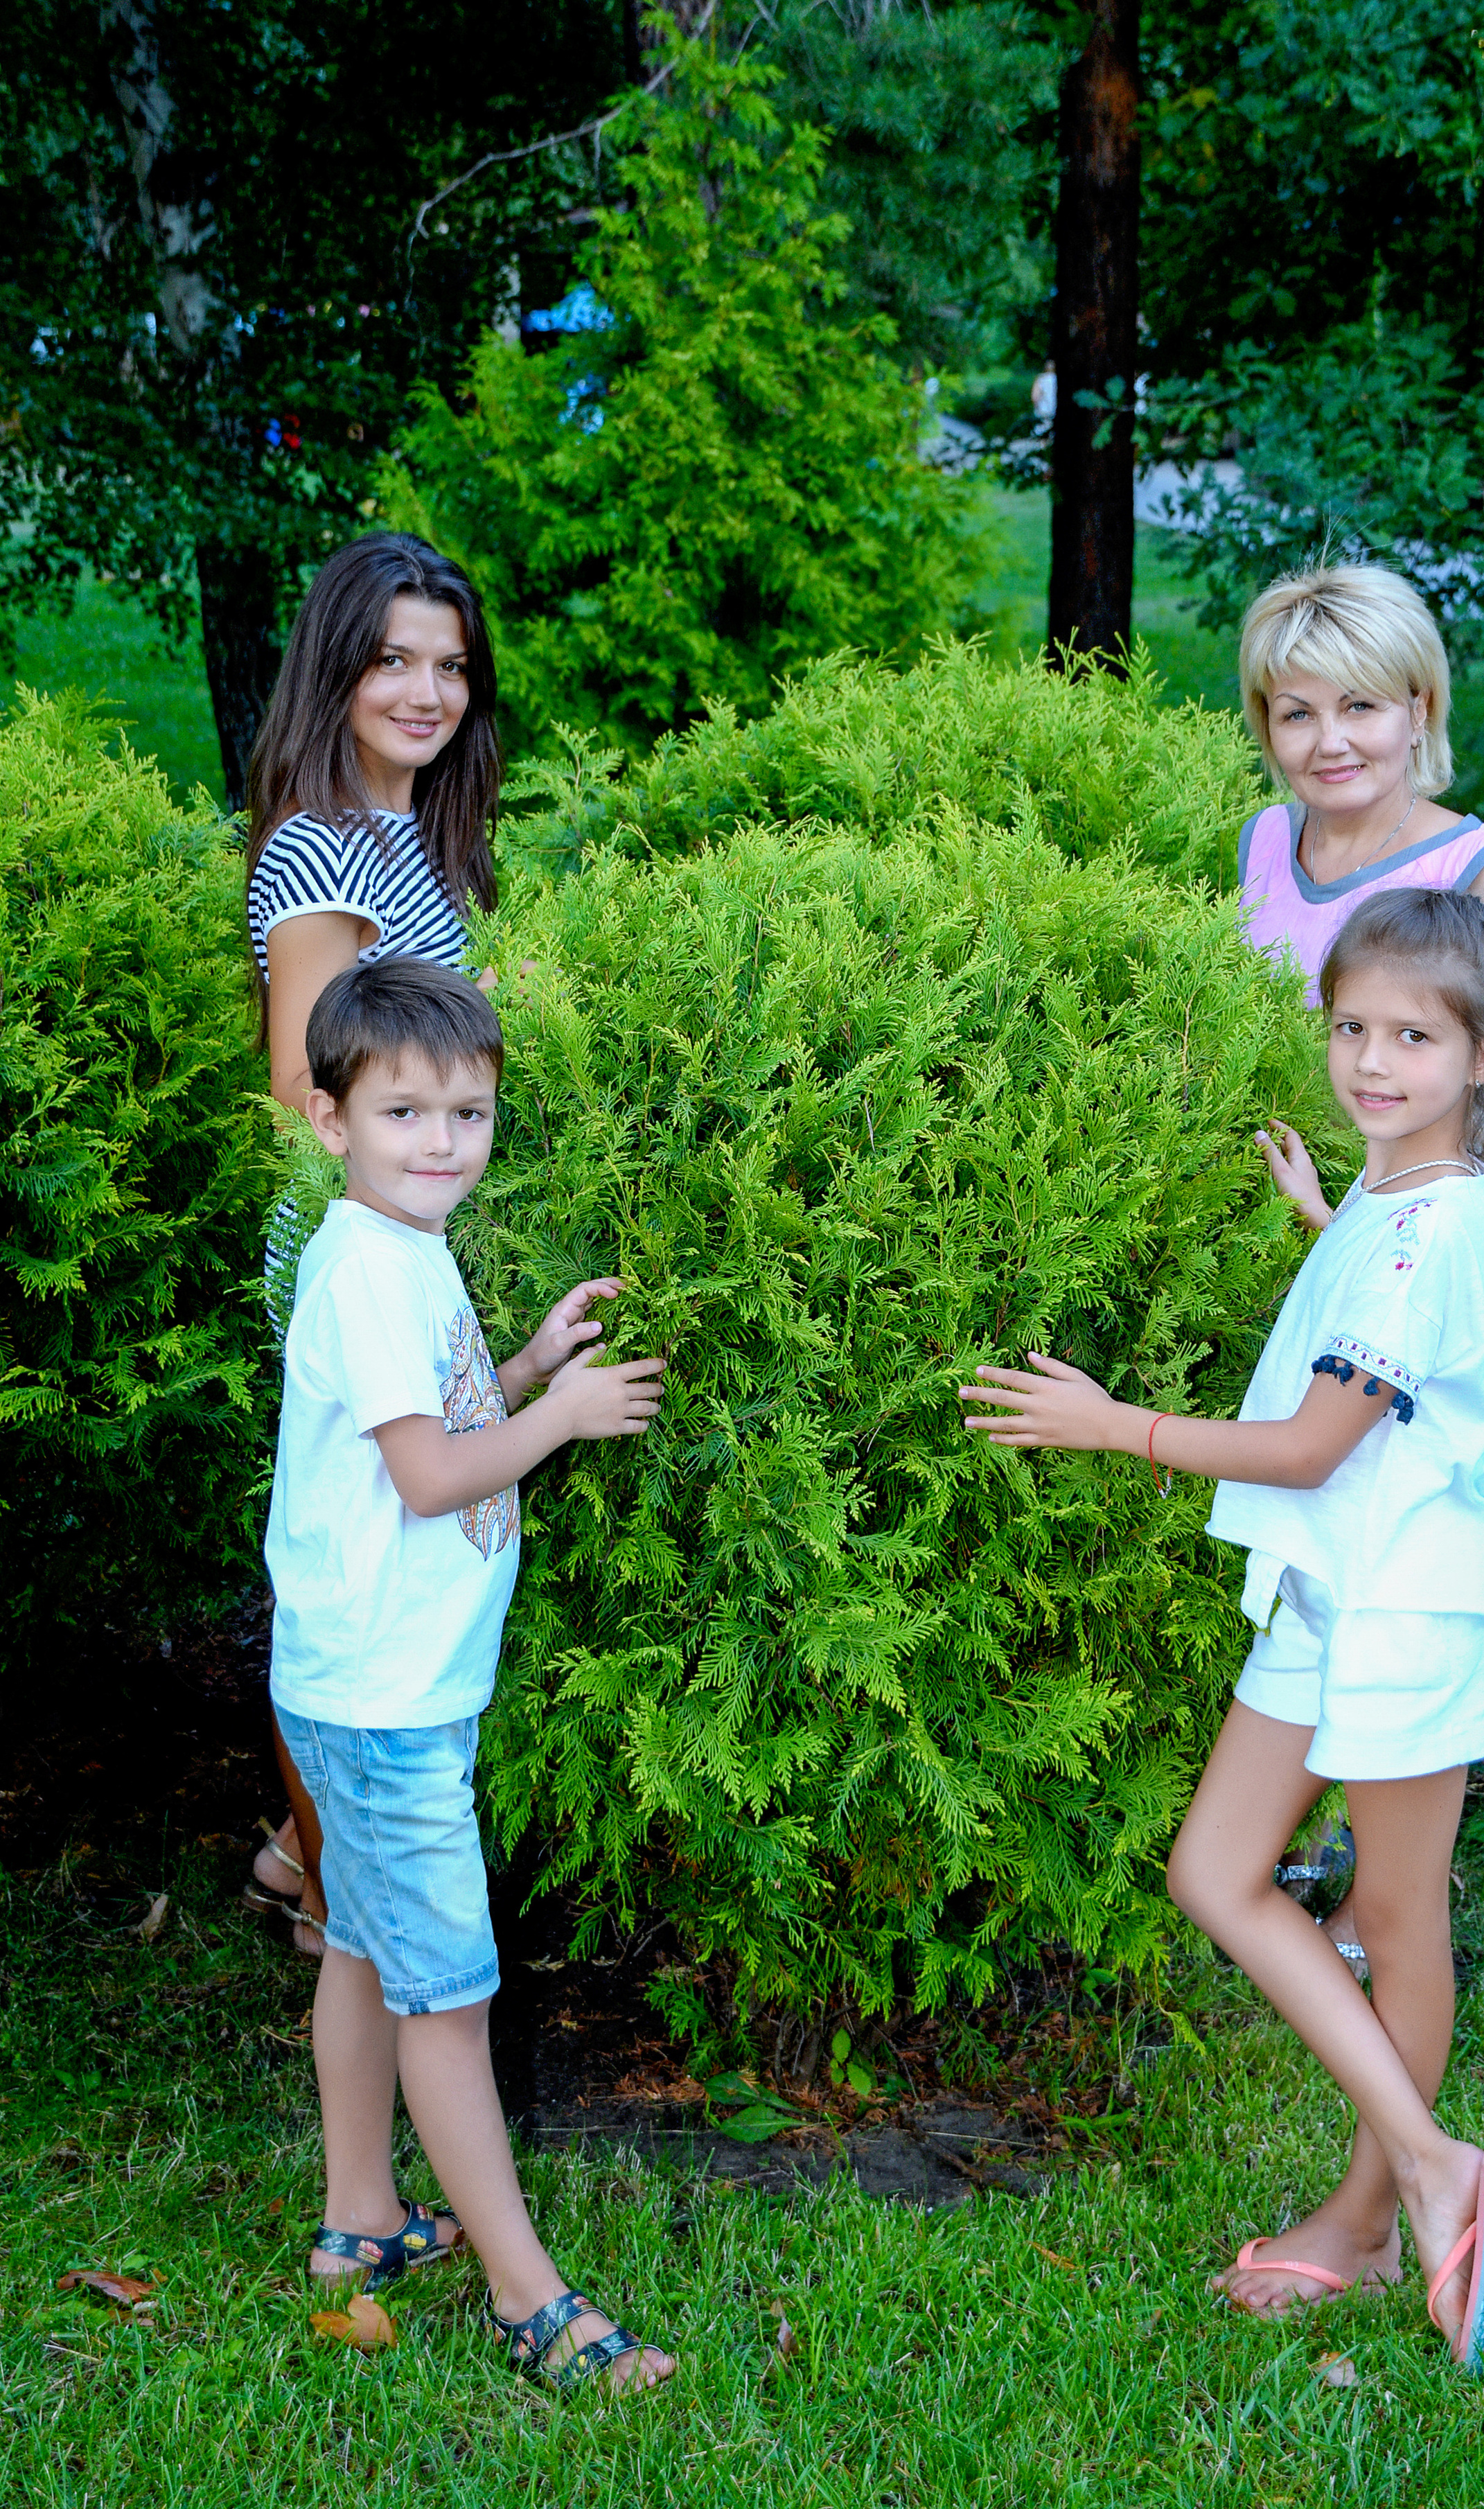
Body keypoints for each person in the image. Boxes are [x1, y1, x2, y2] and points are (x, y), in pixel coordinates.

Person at [959, 888, 1484, 2372]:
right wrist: (1326, 1214)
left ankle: (1380, 2200)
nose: (1371, 1059)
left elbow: (1305, 1447)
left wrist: (1109, 1425)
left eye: (1413, 1034)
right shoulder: (1404, 1204)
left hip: (1399, 1602)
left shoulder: (1419, 1236)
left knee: (1396, 1921)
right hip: (1328, 1595)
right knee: (1215, 1869)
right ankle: (1417, 2167)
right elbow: (1387, 1288)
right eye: (1350, 1026)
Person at [269, 953, 675, 2393]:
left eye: (469, 1113)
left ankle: (361, 2218)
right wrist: (560, 1414)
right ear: (331, 1121)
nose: (442, 1143)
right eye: (405, 1115)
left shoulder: (396, 1247)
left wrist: (520, 1363)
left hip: (369, 1683)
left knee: (371, 1951)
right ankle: (527, 2296)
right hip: (381, 1703)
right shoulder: (370, 1266)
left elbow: (423, 1428)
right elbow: (436, 1477)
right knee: (444, 1989)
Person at [240, 531, 502, 1956]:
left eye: (449, 664)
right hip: (347, 1239)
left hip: (410, 1229)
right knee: (353, 1559)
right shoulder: (319, 844)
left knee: (402, 1558)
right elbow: (303, 1081)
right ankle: (340, 1891)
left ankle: (306, 1852)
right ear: (336, 669)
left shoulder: (420, 837)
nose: (424, 688)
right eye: (394, 658)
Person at [1235, 563, 1484, 1136]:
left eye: (1360, 705)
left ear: (1418, 711)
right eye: (1298, 713)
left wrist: (1373, 1174)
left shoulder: (1483, 874)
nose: (1330, 743)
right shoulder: (1261, 840)